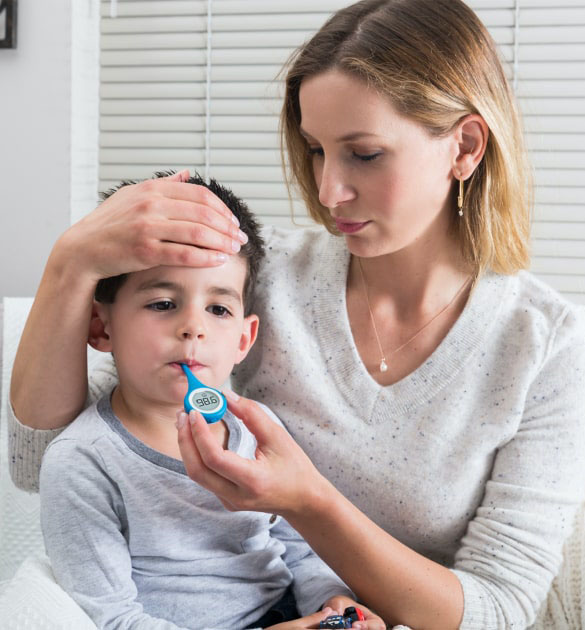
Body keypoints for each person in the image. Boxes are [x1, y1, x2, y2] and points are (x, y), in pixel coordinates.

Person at [8, 0, 585, 628]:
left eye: (364, 154)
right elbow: (46, 457)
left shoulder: (544, 344)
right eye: (315, 150)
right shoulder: (255, 279)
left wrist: (309, 506)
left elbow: (498, 612)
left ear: (465, 147)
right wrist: (71, 263)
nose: (329, 190)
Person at [38, 173, 378, 630]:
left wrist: (335, 603)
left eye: (217, 309)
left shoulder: (258, 429)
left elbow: (299, 548)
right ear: (101, 328)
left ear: (244, 338)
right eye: (162, 303)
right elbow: (112, 619)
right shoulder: (82, 462)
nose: (193, 328)